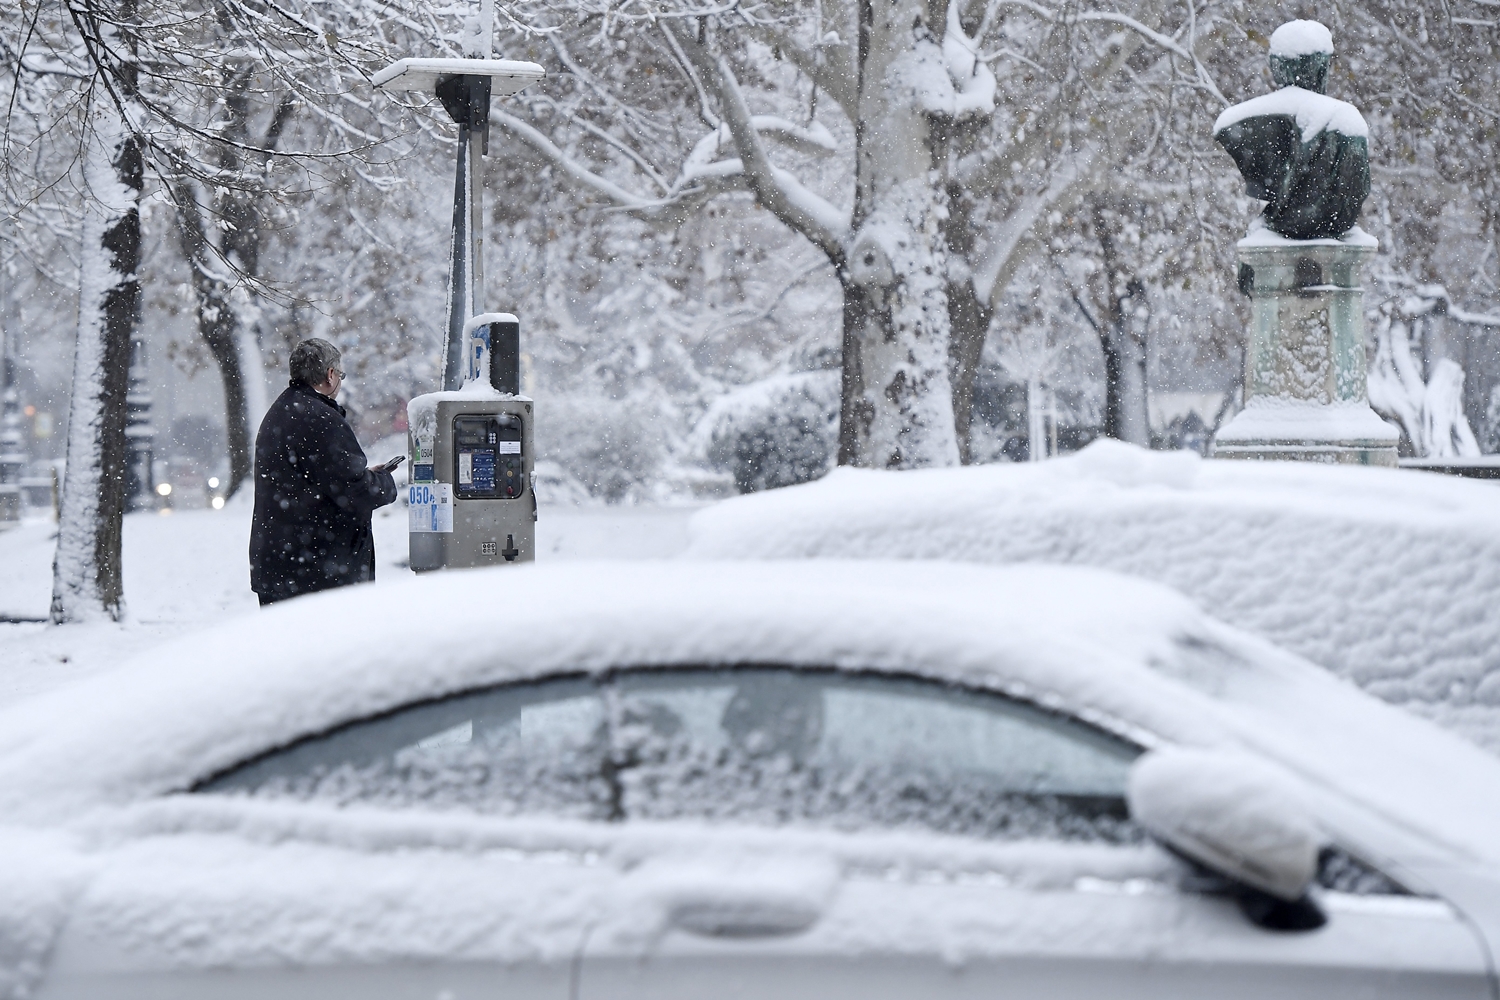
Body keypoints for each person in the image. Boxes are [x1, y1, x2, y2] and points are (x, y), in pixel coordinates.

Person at [249, 338, 399, 606]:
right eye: (339, 374)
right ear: (330, 375)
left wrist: (363, 476)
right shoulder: (319, 418)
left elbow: (321, 480)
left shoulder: (281, 412)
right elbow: (354, 492)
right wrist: (382, 482)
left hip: (284, 567)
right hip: (319, 572)